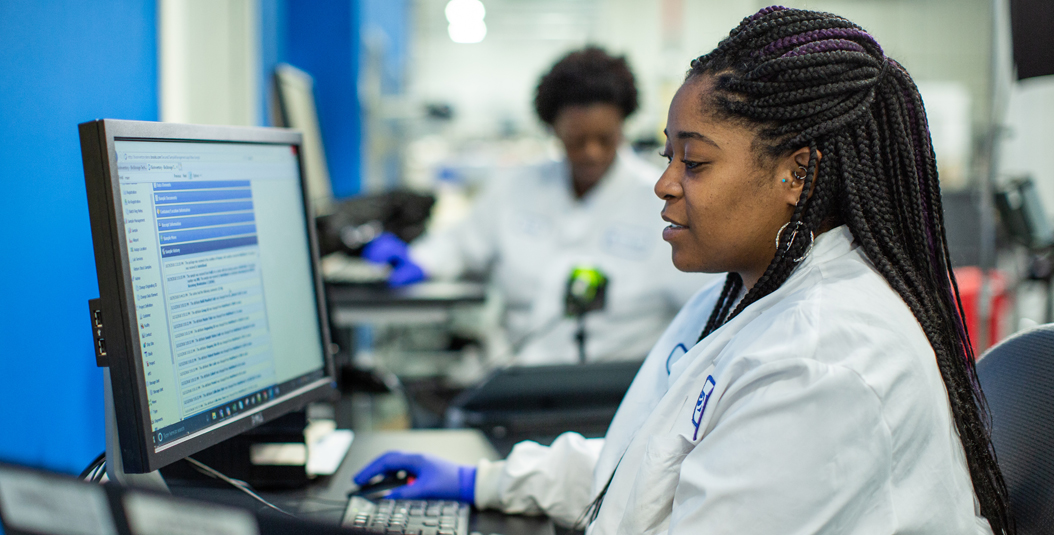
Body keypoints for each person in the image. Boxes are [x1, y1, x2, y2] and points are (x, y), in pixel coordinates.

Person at [354, 7, 1013, 534]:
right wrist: (484, 482)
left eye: (694, 163)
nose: (663, 184)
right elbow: (647, 465)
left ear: (798, 173)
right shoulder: (743, 293)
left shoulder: (823, 360)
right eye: (668, 155)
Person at [365, 47, 713, 365]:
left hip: (613, 389)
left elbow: (704, 307)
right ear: (553, 130)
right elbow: (460, 244)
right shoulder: (516, 187)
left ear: (623, 126)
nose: (592, 152)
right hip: (515, 376)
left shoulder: (663, 198)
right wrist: (419, 260)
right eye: (577, 141)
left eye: (605, 139)